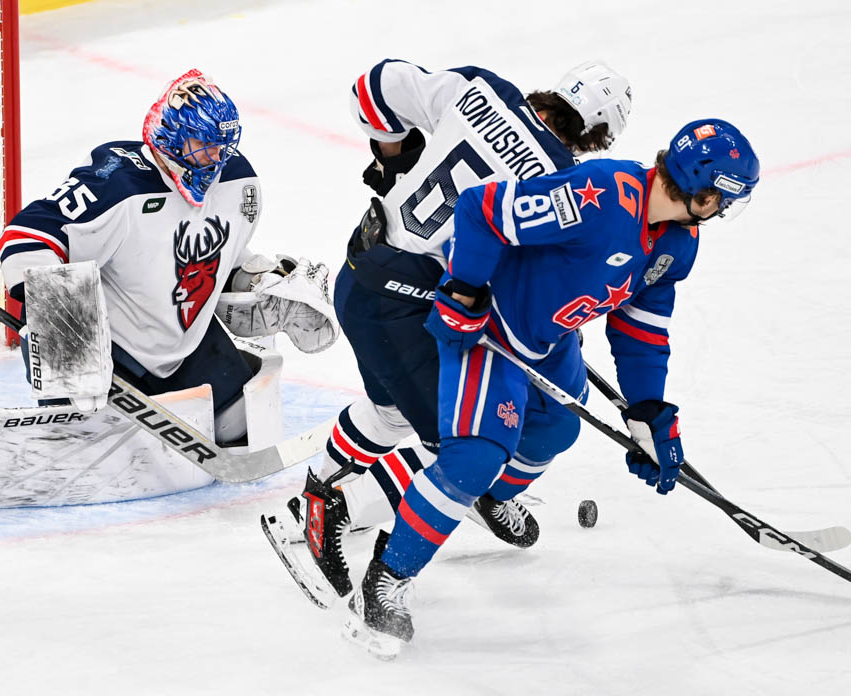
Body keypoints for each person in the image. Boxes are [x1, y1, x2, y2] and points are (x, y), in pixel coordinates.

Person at [342, 119, 761, 658]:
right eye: (724, 199)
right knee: (474, 458)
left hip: (550, 339)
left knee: (556, 430)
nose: (722, 210)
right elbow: (481, 209)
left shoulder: (678, 244)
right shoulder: (603, 194)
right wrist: (464, 290)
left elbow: (641, 329)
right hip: (489, 327)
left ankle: (492, 498)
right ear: (704, 190)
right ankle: (386, 580)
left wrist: (649, 411)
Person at [0, 69, 337, 516]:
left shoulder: (238, 182)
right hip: (111, 354)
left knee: (240, 426)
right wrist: (60, 327)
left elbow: (224, 257)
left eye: (222, 145)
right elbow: (26, 238)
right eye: (202, 144)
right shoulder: (117, 183)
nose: (214, 157)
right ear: (171, 140)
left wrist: (258, 281)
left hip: (186, 345)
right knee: (64, 453)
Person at [262, 59, 633, 605]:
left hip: (362, 276)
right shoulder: (558, 184)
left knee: (390, 411)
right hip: (404, 308)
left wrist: (395, 160)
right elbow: (513, 283)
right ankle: (330, 511)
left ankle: (309, 502)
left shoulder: (480, 90)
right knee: (464, 451)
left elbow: (373, 87)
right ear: (598, 134)